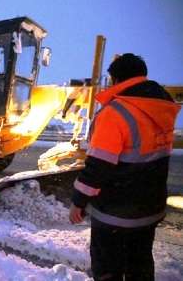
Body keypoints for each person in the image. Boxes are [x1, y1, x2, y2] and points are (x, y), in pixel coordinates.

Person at [69, 53, 181, 280]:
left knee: (108, 270)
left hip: (115, 213)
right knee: (139, 267)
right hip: (150, 209)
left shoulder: (115, 113)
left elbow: (98, 166)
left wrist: (78, 203)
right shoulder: (162, 108)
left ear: (116, 79)